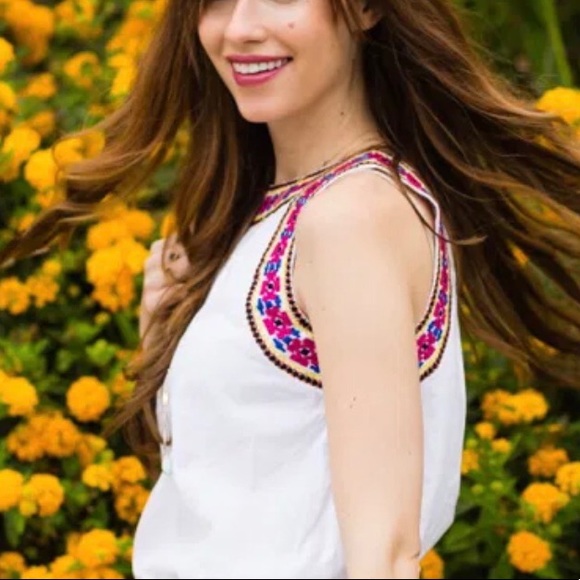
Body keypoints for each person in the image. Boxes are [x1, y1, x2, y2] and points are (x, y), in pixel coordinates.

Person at [1, 0, 579, 578]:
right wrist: (167, 334)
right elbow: (241, 506)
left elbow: (384, 556)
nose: (239, 28)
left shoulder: (350, 219)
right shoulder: (273, 215)